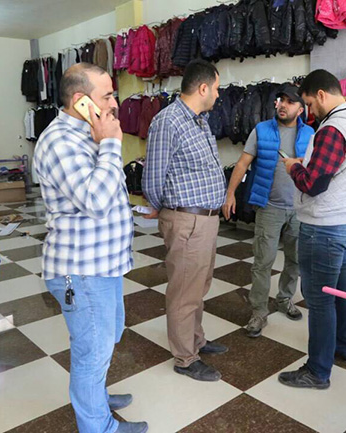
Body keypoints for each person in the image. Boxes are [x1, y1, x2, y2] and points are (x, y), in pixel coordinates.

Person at [33, 63, 147, 433]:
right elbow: (95, 202)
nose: (115, 103)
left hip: (104, 264)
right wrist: (111, 144)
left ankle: (95, 397)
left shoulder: (89, 133)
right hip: (82, 271)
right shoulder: (60, 142)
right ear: (81, 100)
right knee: (92, 352)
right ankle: (99, 427)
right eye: (108, 95)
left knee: (106, 338)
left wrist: (105, 142)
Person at [278, 69, 346, 390]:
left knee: (319, 301)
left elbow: (313, 184)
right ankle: (343, 348)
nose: (309, 111)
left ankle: (317, 371)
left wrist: (293, 167)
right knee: (345, 291)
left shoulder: (334, 128)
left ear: (321, 94)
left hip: (325, 227)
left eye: (308, 103)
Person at [141, 59, 228, 382]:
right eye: (216, 88)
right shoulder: (168, 121)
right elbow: (153, 178)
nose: (218, 94)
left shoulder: (200, 121)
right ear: (203, 88)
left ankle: (196, 339)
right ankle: (185, 357)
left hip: (205, 219)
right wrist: (168, 211)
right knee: (184, 290)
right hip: (187, 220)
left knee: (198, 285)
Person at [222, 83, 315, 338]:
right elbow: (242, 163)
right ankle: (259, 312)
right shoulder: (261, 130)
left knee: (295, 260)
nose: (282, 105)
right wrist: (230, 194)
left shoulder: (310, 134)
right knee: (263, 262)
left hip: (299, 209)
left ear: (300, 109)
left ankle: (285, 299)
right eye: (281, 100)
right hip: (269, 207)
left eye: (290, 101)